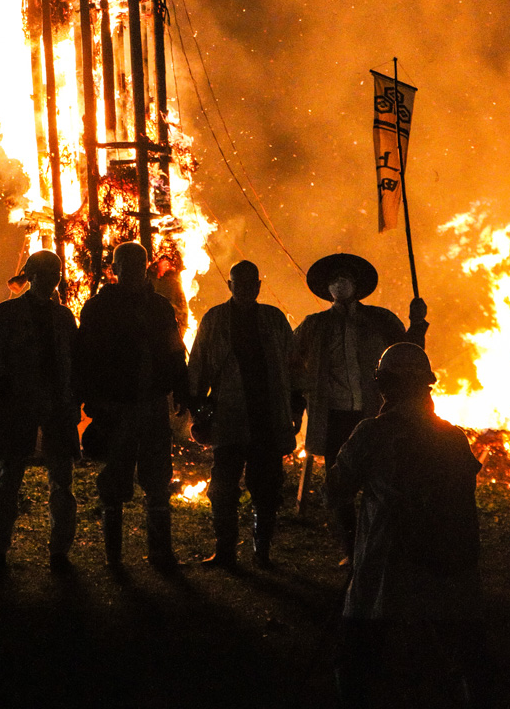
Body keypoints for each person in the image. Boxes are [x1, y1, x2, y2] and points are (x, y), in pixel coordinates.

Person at [326, 343, 487, 709]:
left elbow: (335, 491)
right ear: (425, 386)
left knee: (356, 654)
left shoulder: (372, 434)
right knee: (462, 655)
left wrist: (351, 544)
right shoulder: (453, 438)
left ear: (386, 385)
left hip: (385, 565)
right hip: (449, 566)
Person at [291, 252, 428, 559]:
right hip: (333, 416)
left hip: (376, 415)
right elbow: (291, 362)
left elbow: (409, 354)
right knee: (339, 485)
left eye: (346, 278)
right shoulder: (314, 325)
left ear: (356, 285)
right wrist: (297, 400)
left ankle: (380, 545)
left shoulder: (380, 320)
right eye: (334, 279)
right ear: (327, 288)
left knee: (381, 482)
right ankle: (352, 551)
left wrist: (417, 323)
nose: (340, 283)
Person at [76, 241, 188, 572]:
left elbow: (174, 350)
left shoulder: (160, 308)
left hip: (152, 404)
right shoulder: (98, 308)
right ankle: (114, 558)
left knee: (158, 479)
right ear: (115, 269)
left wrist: (181, 389)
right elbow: (86, 358)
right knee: (114, 480)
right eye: (125, 266)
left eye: (138, 266)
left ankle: (160, 553)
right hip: (116, 407)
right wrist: (92, 400)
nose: (132, 272)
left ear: (146, 268)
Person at [187, 260, 295, 568]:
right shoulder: (215, 319)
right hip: (229, 416)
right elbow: (199, 364)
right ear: (230, 285)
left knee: (266, 488)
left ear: (259, 286)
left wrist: (295, 406)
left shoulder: (274, 319)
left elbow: (293, 365)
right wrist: (197, 406)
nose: (246, 289)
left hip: (267, 416)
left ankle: (262, 552)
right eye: (239, 284)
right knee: (223, 488)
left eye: (251, 284)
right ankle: (225, 551)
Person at [0, 250, 79, 574]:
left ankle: (59, 552)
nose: (51, 280)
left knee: (61, 483)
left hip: (56, 408)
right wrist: (1, 401)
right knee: (8, 479)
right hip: (17, 408)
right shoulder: (8, 313)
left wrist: (72, 401)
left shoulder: (63, 318)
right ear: (31, 276)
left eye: (55, 274)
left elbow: (74, 363)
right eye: (44, 274)